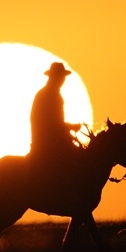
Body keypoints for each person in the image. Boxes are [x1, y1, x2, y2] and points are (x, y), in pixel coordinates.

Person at [28, 62, 83, 206]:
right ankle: (70, 196)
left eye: (63, 77)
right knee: (76, 161)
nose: (63, 80)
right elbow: (53, 123)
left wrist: (68, 129)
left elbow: (54, 122)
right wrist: (70, 127)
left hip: (47, 139)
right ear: (55, 77)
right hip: (49, 142)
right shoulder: (51, 95)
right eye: (61, 77)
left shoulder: (48, 93)